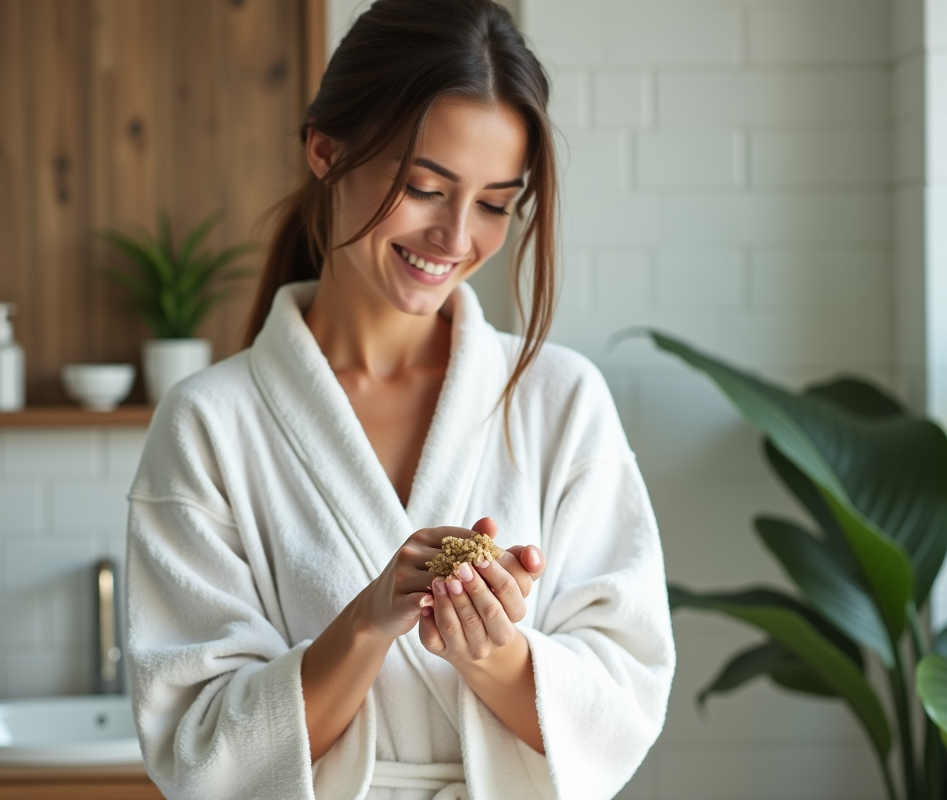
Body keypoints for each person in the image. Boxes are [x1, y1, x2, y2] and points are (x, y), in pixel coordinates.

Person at [123, 1, 676, 798]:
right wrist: (369, 619)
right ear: (326, 151)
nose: (456, 238)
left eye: (494, 204)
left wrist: (492, 651)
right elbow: (198, 745)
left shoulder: (561, 401)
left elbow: (624, 703)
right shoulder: (209, 424)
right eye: (424, 187)